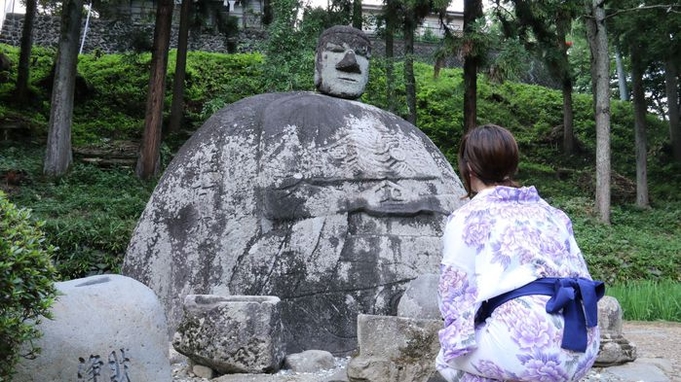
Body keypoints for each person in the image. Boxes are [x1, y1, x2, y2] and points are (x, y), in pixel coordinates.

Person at [436, 124, 604, 382]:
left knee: (450, 356)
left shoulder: (467, 217)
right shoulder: (552, 213)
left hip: (525, 345)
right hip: (583, 342)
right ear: (512, 165)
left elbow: (454, 296)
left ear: (469, 167)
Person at [314, 25, 371, 100]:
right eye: (337, 50)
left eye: (361, 54)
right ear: (317, 59)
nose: (351, 63)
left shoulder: (371, 111)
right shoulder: (300, 105)